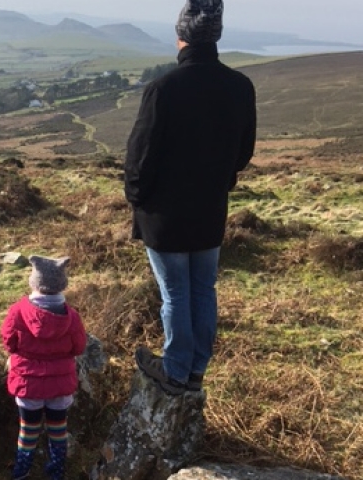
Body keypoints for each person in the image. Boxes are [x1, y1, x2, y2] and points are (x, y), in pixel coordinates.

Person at [124, 0, 257, 395]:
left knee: (175, 294)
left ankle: (176, 373)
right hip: (210, 209)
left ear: (180, 36)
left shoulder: (163, 89)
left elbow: (140, 157)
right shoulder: (239, 86)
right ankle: (195, 369)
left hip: (165, 215)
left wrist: (137, 197)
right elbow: (244, 152)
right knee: (202, 290)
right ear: (215, 35)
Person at [0, 255, 87, 480]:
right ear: (61, 284)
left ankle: (21, 470)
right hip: (60, 386)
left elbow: (9, 342)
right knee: (58, 429)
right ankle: (57, 471)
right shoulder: (72, 317)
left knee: (28, 430)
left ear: (34, 282)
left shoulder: (17, 311)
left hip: (28, 385)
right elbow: (79, 347)